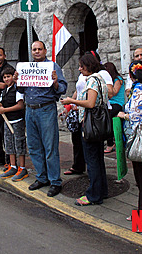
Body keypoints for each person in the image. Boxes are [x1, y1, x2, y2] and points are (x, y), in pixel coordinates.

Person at [16, 41, 67, 197]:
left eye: (39, 49)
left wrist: (55, 81)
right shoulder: (26, 68)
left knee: (50, 147)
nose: (37, 52)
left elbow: (63, 89)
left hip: (46, 109)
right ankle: (42, 177)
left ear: (45, 51)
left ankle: (55, 181)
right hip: (30, 110)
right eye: (34, 49)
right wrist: (17, 81)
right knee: (33, 146)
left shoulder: (52, 67)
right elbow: (21, 89)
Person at [61, 53, 109, 205]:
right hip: (98, 125)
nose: (80, 69)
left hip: (91, 125)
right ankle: (102, 190)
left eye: (82, 66)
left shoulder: (93, 80)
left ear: (89, 66)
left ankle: (93, 195)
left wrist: (72, 101)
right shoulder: (100, 78)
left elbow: (90, 103)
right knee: (98, 159)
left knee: (93, 160)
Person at [118, 61, 142, 222]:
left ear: (130, 75)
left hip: (140, 136)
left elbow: (135, 115)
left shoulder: (139, 88)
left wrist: (123, 115)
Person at [0, 67, 28, 181]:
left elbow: (20, 105)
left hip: (17, 120)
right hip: (7, 121)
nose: (7, 79)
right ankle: (12, 166)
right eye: (5, 77)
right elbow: (2, 105)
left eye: (9, 76)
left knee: (19, 143)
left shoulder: (18, 89)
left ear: (13, 77)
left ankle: (22, 168)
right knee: (9, 144)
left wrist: (5, 110)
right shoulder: (4, 90)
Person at [103, 62, 125, 153]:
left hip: (117, 103)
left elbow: (114, 92)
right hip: (109, 103)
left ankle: (110, 143)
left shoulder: (117, 80)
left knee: (108, 116)